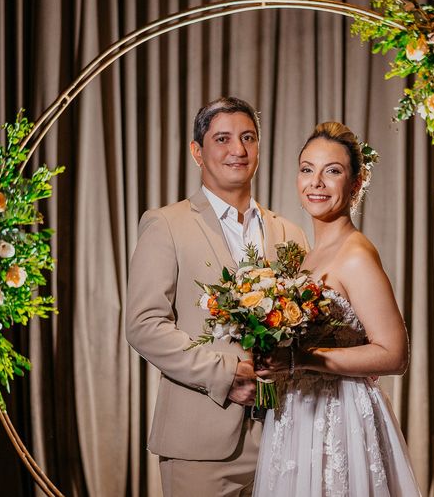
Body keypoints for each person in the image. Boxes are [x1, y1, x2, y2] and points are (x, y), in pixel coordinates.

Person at [125, 97, 309, 497]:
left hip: (284, 437)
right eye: (222, 138)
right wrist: (225, 376)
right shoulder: (166, 224)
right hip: (199, 444)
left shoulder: (289, 233)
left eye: (248, 138)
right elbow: (144, 326)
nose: (238, 150)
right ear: (197, 151)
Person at [252, 122, 421, 496]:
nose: (316, 182)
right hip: (296, 417)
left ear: (357, 184)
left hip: (339, 420)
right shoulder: (306, 258)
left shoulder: (355, 254)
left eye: (332, 171)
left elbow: (395, 355)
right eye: (307, 169)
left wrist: (300, 360)